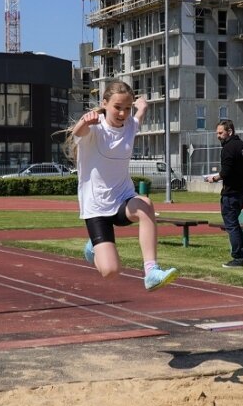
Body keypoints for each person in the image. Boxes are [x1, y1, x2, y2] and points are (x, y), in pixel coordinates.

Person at [67, 80, 178, 292]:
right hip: (97, 207)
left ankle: (151, 272)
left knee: (145, 205)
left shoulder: (129, 125)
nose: (122, 113)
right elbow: (77, 133)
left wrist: (142, 107)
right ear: (105, 103)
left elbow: (138, 117)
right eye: (117, 107)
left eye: (127, 108)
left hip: (122, 200)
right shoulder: (95, 128)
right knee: (111, 271)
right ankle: (93, 249)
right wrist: (84, 121)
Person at [207, 119, 243, 268]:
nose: (218, 136)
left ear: (230, 132)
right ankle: (242, 251)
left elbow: (226, 172)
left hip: (231, 193)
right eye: (217, 133)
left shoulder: (228, 148)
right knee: (233, 223)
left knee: (231, 224)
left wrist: (214, 178)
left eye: (221, 133)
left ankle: (239, 255)